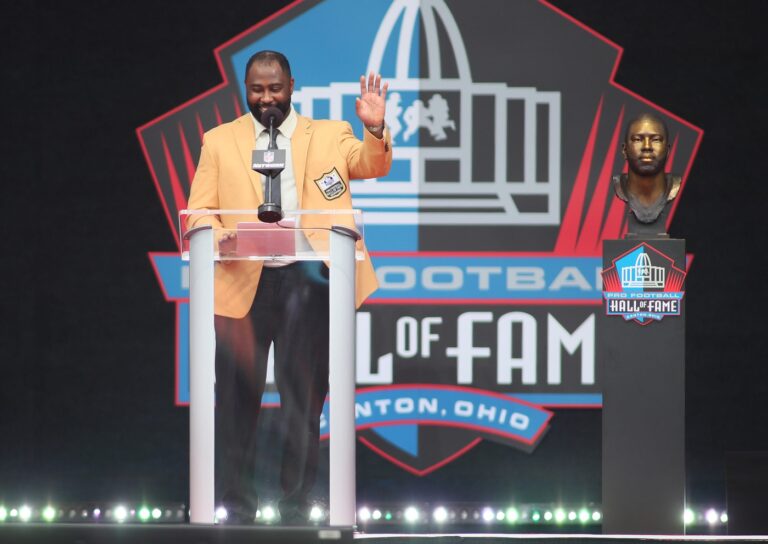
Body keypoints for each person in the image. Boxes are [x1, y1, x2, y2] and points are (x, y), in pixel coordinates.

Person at [186, 50, 392, 524]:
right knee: (235, 400)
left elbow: (371, 164)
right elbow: (198, 211)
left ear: (292, 86)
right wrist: (221, 235)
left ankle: (296, 506)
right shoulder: (219, 141)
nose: (266, 99)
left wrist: (376, 128)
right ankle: (238, 506)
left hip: (310, 281)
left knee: (304, 399)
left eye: (274, 89)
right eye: (256, 90)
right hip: (243, 282)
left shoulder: (330, 134)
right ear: (245, 89)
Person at [613, 112, 681, 236]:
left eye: (656, 140)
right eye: (637, 139)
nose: (647, 147)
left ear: (668, 150)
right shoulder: (619, 186)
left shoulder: (674, 187)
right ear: (624, 150)